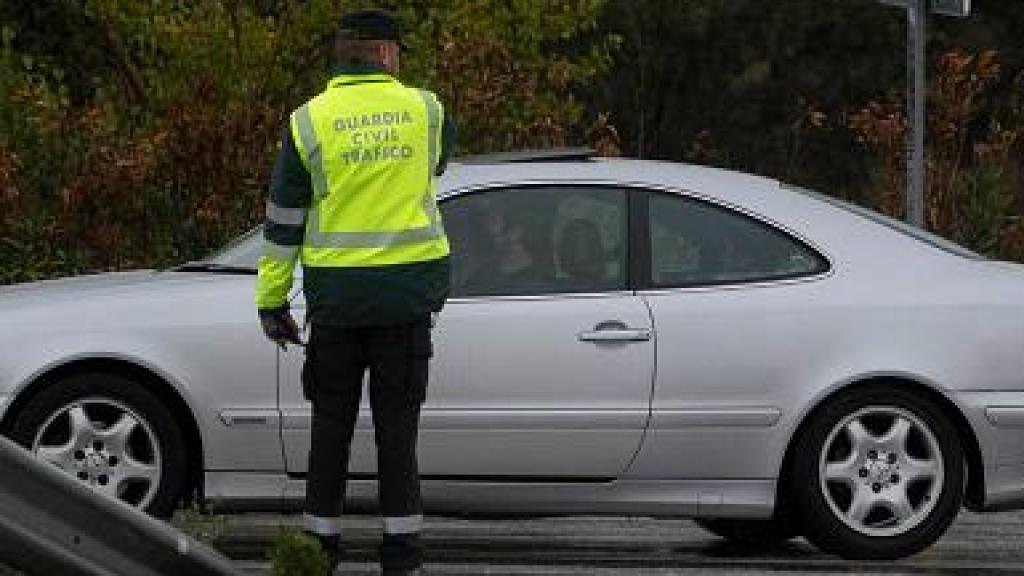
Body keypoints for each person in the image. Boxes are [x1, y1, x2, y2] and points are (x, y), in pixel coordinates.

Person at [255, 9, 454, 575]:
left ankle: (318, 551)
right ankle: (401, 554)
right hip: (406, 303)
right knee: (398, 432)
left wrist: (272, 302)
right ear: (388, 54)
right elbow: (436, 164)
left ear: (342, 53)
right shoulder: (427, 111)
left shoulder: (308, 122)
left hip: (336, 305)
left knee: (330, 428)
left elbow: (283, 220)